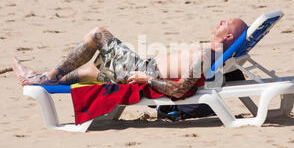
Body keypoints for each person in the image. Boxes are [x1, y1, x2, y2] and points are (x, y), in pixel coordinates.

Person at [13, 18, 247, 99]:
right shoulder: (215, 53)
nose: (220, 21)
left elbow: (179, 91)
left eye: (225, 23)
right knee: (90, 72)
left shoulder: (207, 54)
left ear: (228, 35)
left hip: (143, 71)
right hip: (143, 67)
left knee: (98, 34)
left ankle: (49, 76)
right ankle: (43, 79)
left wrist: (147, 80)